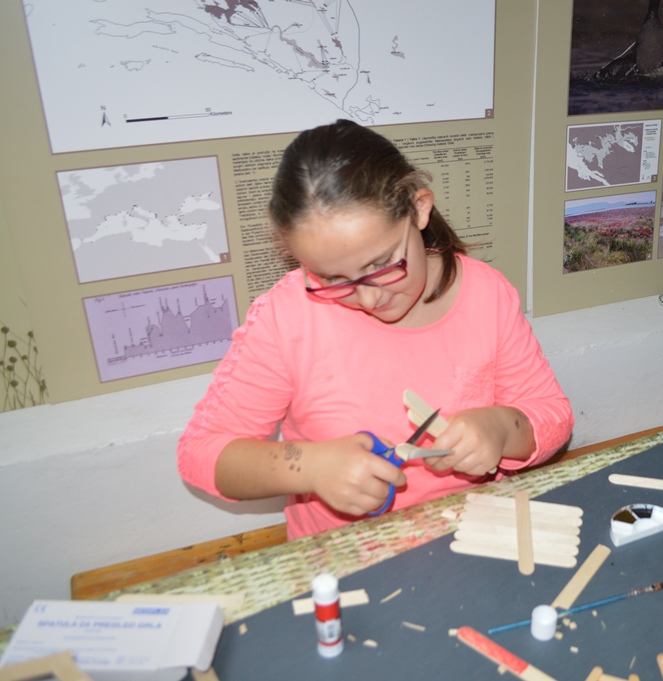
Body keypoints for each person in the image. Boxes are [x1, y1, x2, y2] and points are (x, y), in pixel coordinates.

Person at [179, 120, 573, 539]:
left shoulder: (485, 293)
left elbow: (553, 417)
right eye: (331, 278)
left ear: (419, 208)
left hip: (476, 538)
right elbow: (201, 454)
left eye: (382, 265)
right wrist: (310, 466)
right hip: (343, 554)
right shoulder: (287, 316)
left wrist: (501, 428)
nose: (368, 298)